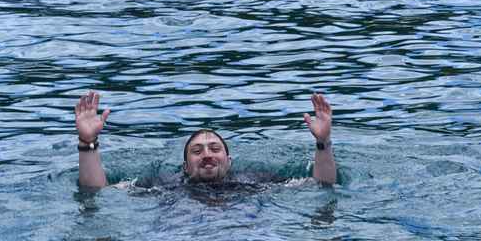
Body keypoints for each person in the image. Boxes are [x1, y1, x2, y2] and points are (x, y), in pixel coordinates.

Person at [74, 91, 337, 188]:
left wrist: (323, 143)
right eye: (197, 151)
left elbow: (321, 184)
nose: (207, 154)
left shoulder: (256, 181)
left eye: (214, 148)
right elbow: (96, 190)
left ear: (229, 160)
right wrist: (87, 144)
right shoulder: (161, 184)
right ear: (185, 166)